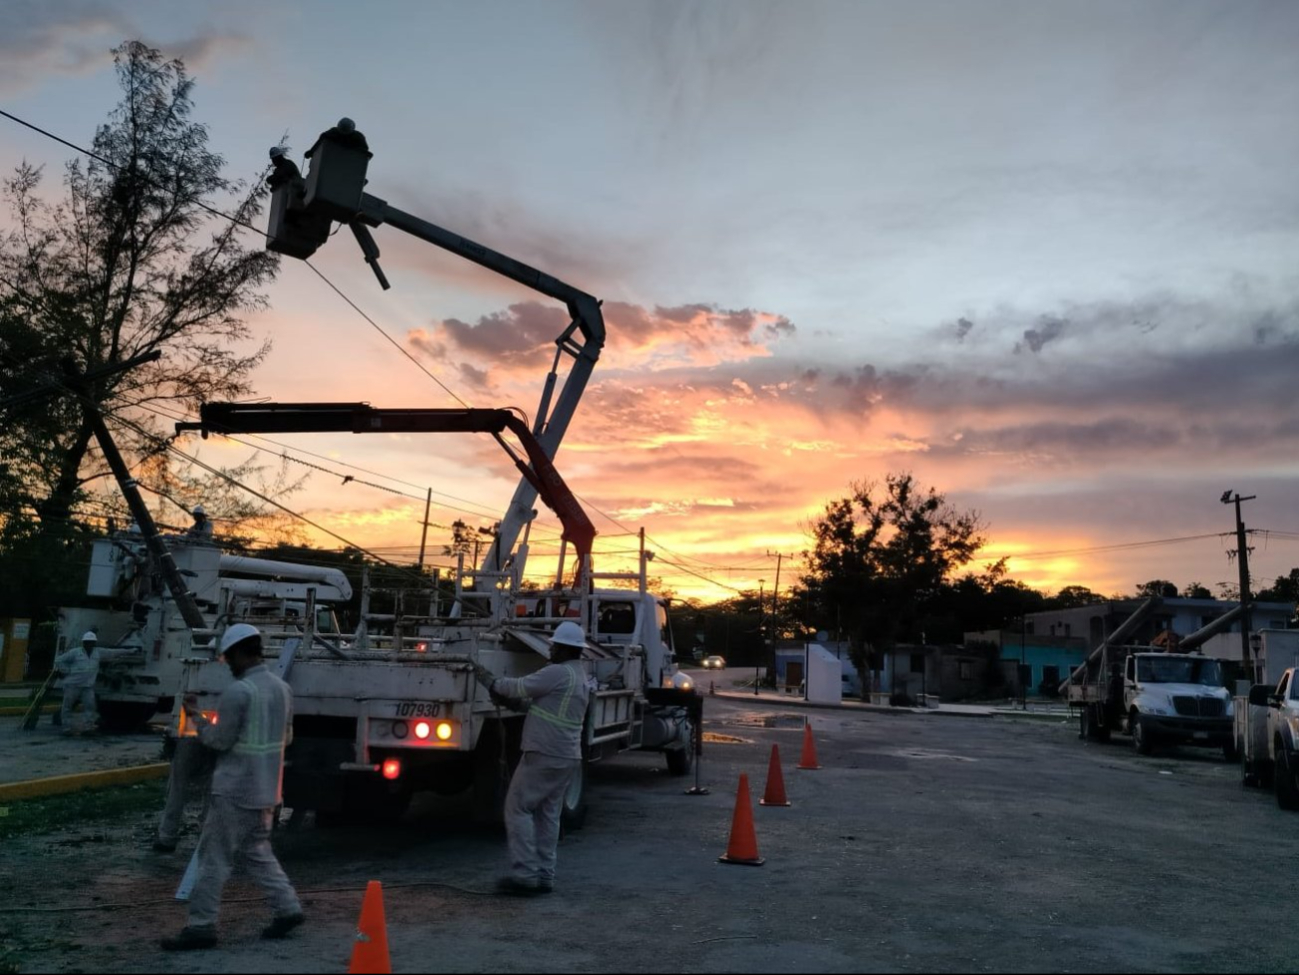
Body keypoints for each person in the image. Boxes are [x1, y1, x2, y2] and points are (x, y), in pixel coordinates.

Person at [161, 624, 302, 951]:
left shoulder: (239, 693)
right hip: (267, 790)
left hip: (235, 791)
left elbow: (218, 741)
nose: (227, 665)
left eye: (228, 658)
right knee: (258, 852)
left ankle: (201, 926)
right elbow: (288, 737)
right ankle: (288, 907)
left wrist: (197, 720)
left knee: (214, 860)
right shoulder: (282, 689)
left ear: (241, 652)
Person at [473, 620, 590, 896]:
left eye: (554, 646)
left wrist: (492, 681)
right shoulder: (578, 676)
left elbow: (519, 686)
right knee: (549, 815)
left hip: (545, 752)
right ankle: (544, 876)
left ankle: (525, 875)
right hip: (565, 755)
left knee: (518, 808)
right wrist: (517, 704)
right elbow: (546, 707)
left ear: (564, 649)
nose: (550, 650)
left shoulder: (557, 672)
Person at [54, 632, 105, 735]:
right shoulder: (75, 652)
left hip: (87, 686)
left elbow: (113, 652)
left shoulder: (97, 652)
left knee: (90, 707)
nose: (89, 644)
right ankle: (66, 728)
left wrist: (130, 651)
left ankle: (88, 728)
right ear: (84, 643)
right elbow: (59, 660)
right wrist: (66, 671)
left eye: (91, 642)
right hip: (73, 685)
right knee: (67, 707)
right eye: (87, 642)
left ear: (94, 643)